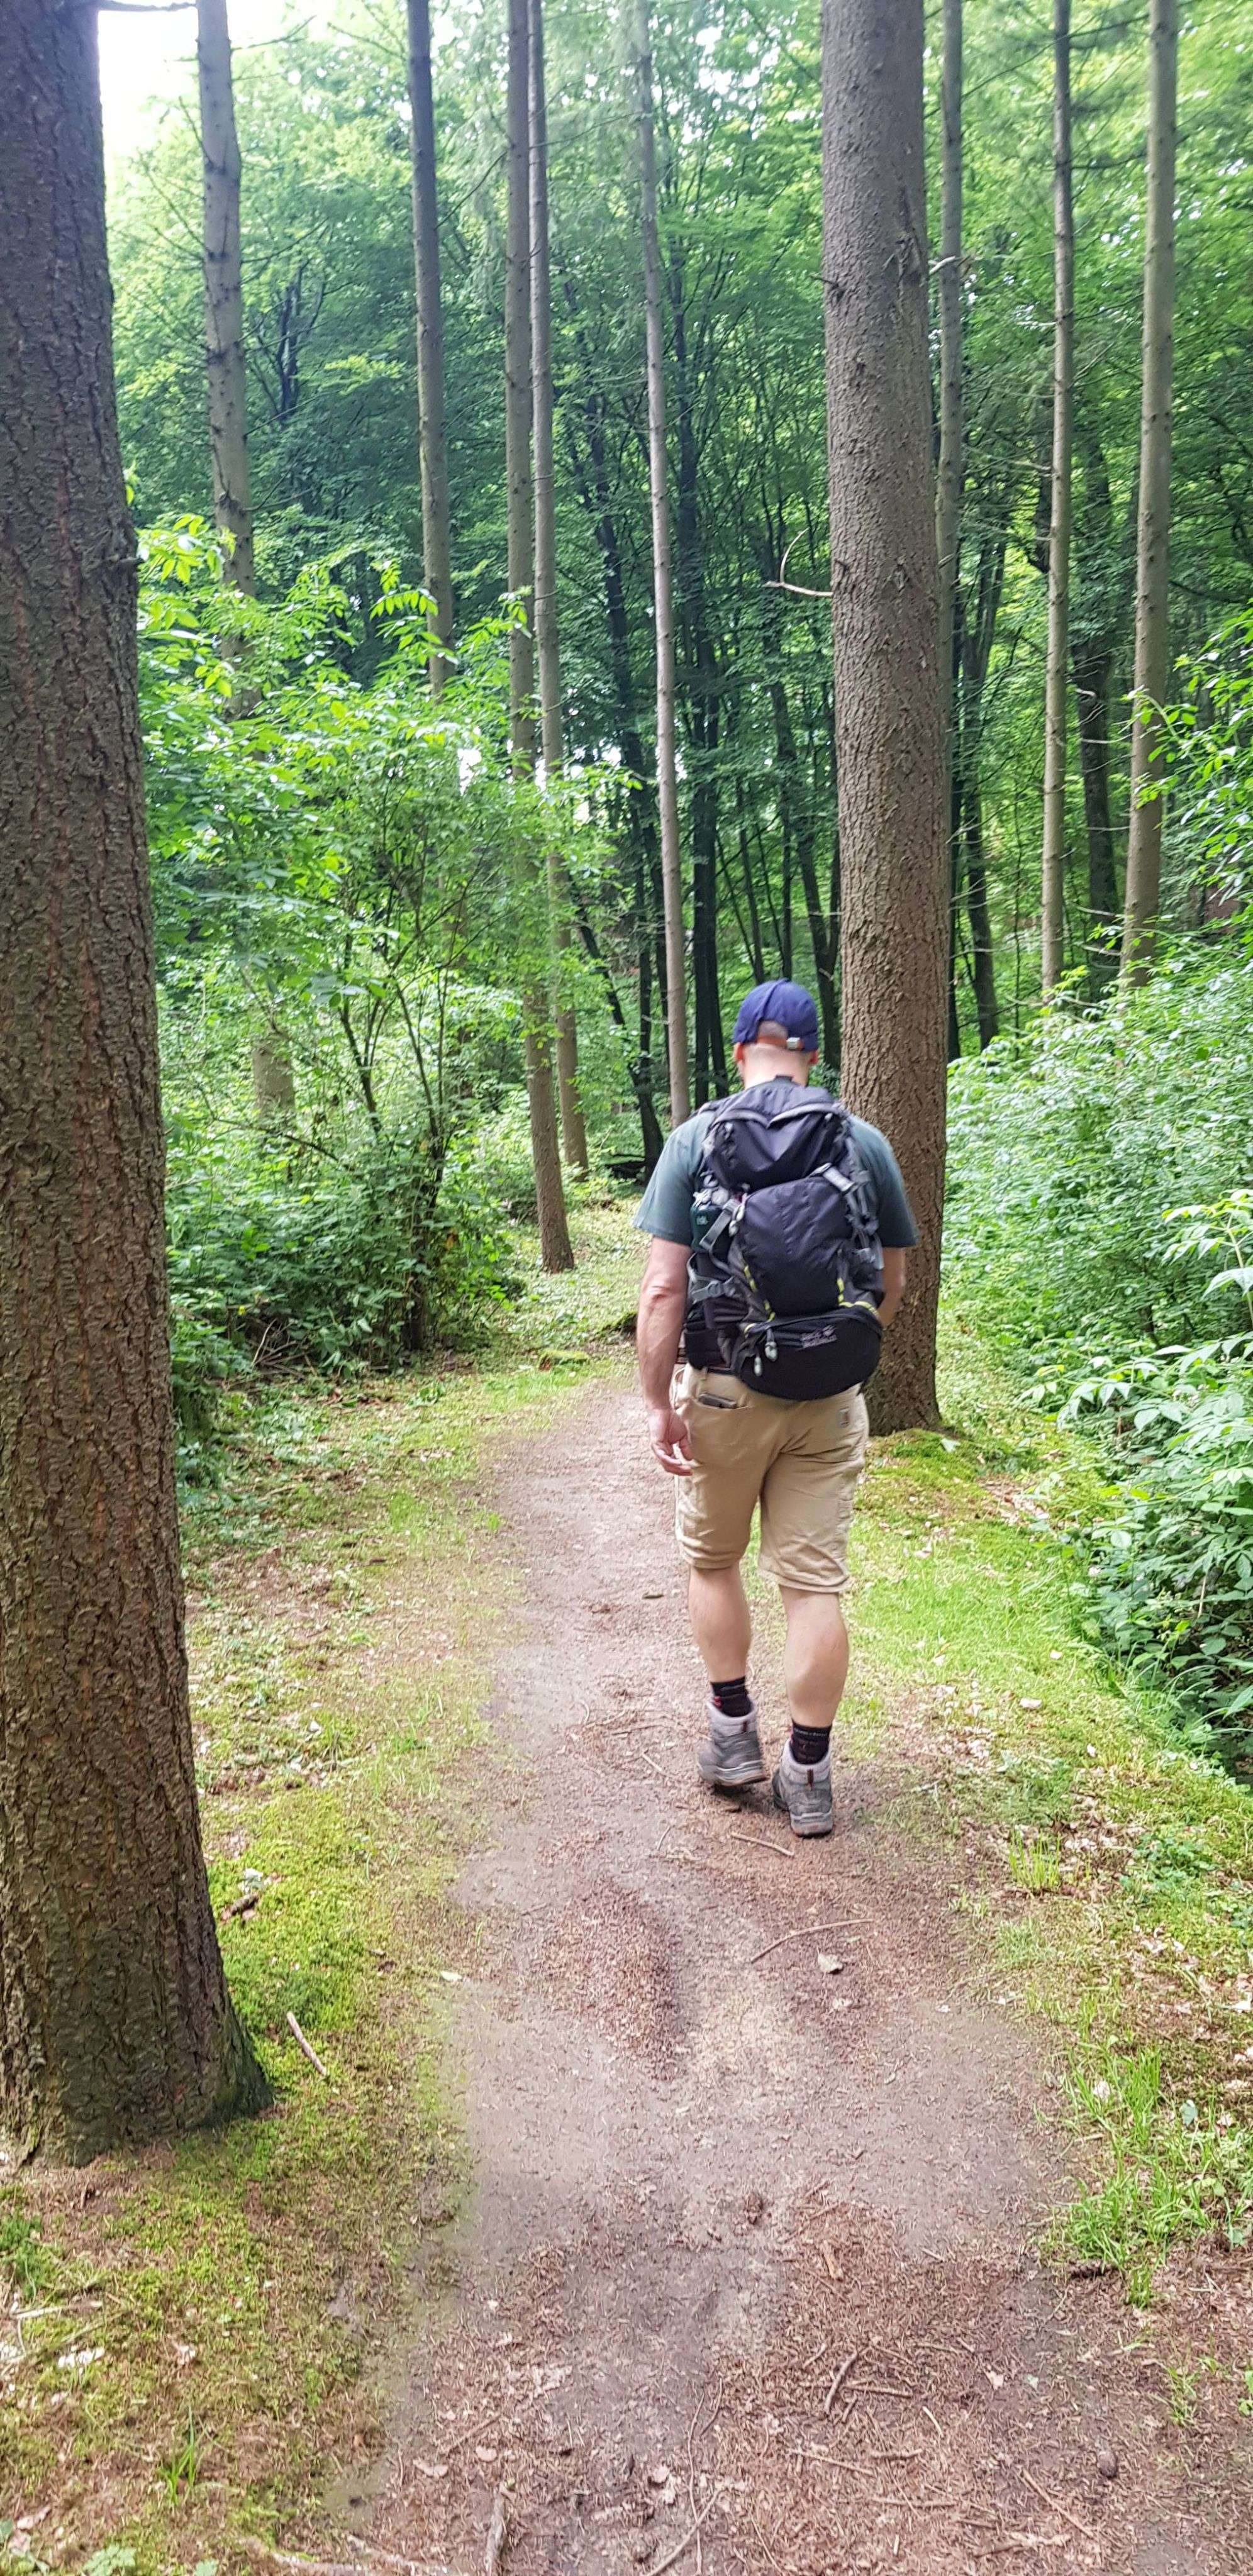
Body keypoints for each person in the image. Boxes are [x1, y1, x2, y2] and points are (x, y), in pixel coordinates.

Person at [634, 979, 918, 1836]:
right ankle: (810, 1774)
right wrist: (832, 1355)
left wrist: (658, 1402)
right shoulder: (861, 1141)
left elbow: (663, 1290)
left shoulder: (695, 1139)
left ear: (738, 1053)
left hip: (724, 1387)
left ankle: (732, 1736)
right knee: (813, 1587)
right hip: (827, 1400)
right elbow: (892, 1284)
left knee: (714, 1562)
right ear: (813, 1055)